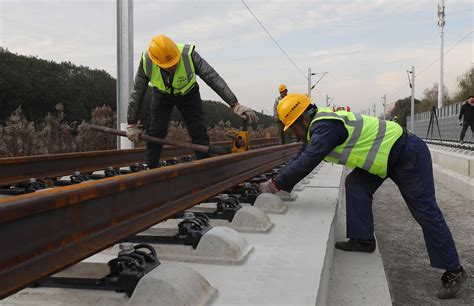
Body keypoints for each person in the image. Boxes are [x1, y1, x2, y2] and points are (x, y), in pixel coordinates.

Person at [259, 93, 467, 299]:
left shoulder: (325, 128)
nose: (295, 135)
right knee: (356, 184)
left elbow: (309, 159)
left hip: (406, 153)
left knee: (425, 212)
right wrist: (279, 180)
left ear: (303, 119)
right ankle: (363, 239)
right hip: (385, 157)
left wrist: (275, 184)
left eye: (293, 128)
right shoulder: (319, 127)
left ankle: (454, 270)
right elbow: (302, 155)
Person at [126, 34, 258, 167]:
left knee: (198, 130)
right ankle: (150, 166)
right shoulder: (147, 62)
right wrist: (131, 124)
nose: (173, 67)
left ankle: (205, 165)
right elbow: (137, 92)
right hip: (162, 95)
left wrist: (234, 104)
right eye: (168, 66)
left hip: (188, 94)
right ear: (156, 62)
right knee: (156, 131)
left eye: (174, 63)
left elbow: (212, 77)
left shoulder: (188, 55)